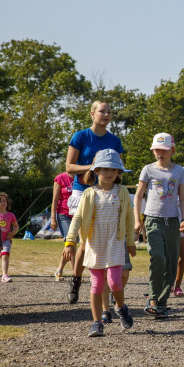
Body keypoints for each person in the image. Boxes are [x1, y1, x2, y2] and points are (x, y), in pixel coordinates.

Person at [62, 149, 136, 337]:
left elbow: (128, 218)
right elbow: (77, 218)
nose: (109, 173)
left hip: (116, 243)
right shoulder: (89, 194)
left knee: (115, 283)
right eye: (105, 169)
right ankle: (97, 323)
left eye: (114, 170)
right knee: (96, 285)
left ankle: (121, 307)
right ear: (96, 171)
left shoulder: (122, 192)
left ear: (118, 172)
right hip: (95, 244)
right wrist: (70, 241)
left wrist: (131, 242)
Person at [65, 101, 124, 304]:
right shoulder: (81, 136)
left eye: (109, 111)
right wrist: (93, 167)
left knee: (108, 237)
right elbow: (69, 167)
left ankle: (109, 286)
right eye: (102, 111)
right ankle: (76, 279)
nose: (106, 114)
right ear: (92, 114)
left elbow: (119, 169)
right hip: (83, 191)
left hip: (107, 192)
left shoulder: (115, 140)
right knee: (85, 241)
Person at [134, 133, 184, 317]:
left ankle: (162, 303)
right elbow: (139, 196)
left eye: (164, 150)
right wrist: (137, 220)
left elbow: (182, 197)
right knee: (158, 257)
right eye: (157, 150)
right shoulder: (148, 170)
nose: (160, 154)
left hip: (173, 221)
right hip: (153, 220)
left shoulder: (179, 171)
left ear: (172, 150)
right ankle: (152, 297)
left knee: (172, 263)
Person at [0, 192, 19, 282]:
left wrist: (13, 233)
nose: (3, 202)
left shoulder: (11, 215)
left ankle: (4, 275)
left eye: (5, 201)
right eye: (0, 201)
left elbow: (16, 226)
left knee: (5, 256)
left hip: (6, 240)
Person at [50, 171, 74, 281]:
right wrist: (53, 218)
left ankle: (59, 269)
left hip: (77, 214)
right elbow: (55, 200)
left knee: (69, 245)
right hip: (63, 214)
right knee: (71, 242)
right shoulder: (60, 178)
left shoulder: (82, 177)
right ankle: (75, 274)